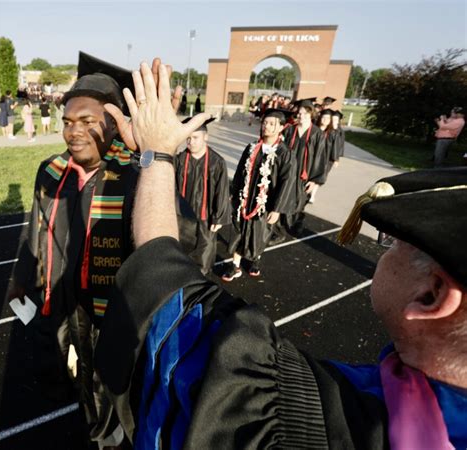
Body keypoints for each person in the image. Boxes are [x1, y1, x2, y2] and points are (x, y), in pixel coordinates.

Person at [94, 61, 467, 449]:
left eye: (394, 243)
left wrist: (156, 156)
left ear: (431, 296)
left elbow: (164, 294)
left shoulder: (296, 416)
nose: (383, 251)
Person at [7, 52, 146, 449]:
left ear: (114, 124)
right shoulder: (51, 170)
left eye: (87, 122)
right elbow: (35, 228)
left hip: (111, 310)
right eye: (68, 122)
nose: (73, 132)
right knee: (72, 370)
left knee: (113, 387)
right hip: (61, 298)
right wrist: (20, 278)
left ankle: (112, 436)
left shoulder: (134, 177)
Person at [221, 108, 296, 280]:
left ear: (281, 127)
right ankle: (235, 265)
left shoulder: (285, 153)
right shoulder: (252, 147)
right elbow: (241, 171)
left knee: (261, 233)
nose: (266, 126)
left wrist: (277, 208)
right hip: (245, 200)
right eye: (265, 122)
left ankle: (256, 259)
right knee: (239, 230)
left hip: (267, 203)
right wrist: (234, 192)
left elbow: (287, 181)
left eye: (271, 124)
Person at [175, 117, 230, 275]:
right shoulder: (180, 159)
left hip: (206, 218)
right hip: (182, 218)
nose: (191, 142)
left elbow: (222, 190)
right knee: (181, 254)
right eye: (188, 138)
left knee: (203, 257)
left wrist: (219, 217)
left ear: (206, 137)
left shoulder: (217, 162)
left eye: (195, 137)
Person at [277, 99, 326, 238]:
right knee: (284, 197)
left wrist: (315, 180)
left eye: (305, 113)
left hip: (305, 175)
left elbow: (320, 157)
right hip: (287, 173)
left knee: (299, 201)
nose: (301, 116)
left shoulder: (317, 134)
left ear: (311, 115)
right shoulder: (290, 130)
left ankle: (295, 224)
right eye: (299, 113)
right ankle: (280, 228)